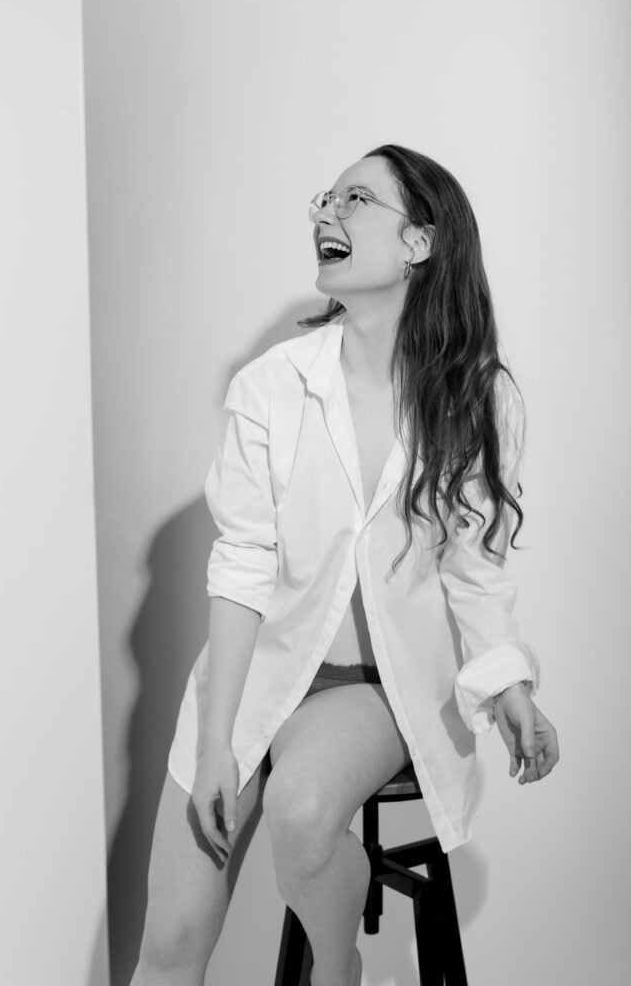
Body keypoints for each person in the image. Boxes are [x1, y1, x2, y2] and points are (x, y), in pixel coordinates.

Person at [129, 144, 560, 986]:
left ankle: (337, 970)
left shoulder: (474, 398)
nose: (326, 212)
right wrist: (216, 746)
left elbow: (472, 572)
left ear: (418, 243)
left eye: (355, 199)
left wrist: (509, 688)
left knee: (299, 807)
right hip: (255, 675)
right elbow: (242, 563)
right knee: (169, 947)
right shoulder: (270, 386)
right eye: (324, 199)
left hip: (374, 689)